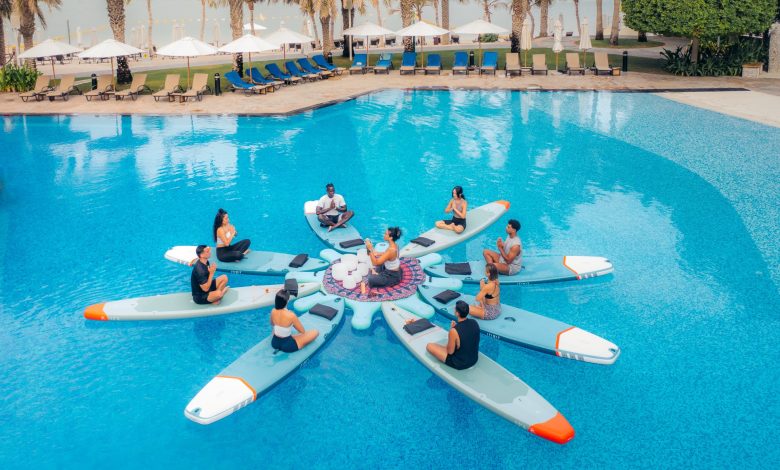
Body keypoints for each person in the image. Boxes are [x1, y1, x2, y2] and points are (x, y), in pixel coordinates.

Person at [426, 300, 480, 370]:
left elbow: (450, 352)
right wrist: (455, 328)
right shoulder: (474, 322)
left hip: (461, 363)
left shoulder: (454, 331)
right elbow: (466, 333)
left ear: (457, 313)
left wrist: (451, 331)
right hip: (474, 359)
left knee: (430, 346)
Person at [360, 227, 403, 295]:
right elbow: (392, 256)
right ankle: (377, 273)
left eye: (385, 234)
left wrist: (370, 249)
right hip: (394, 270)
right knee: (380, 263)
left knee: (370, 279)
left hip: (392, 276)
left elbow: (375, 263)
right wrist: (378, 253)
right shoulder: (394, 245)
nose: (384, 235)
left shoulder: (391, 250)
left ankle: (378, 275)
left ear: (390, 238)